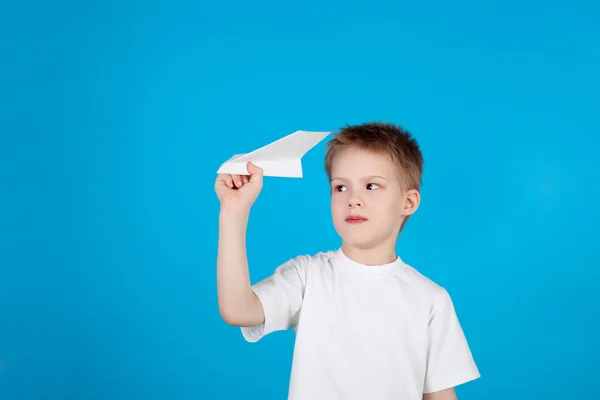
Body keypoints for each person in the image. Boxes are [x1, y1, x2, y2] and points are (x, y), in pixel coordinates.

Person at [214, 122, 480, 400]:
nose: (353, 199)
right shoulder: (308, 276)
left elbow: (439, 394)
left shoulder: (431, 300)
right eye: (341, 187)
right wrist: (234, 211)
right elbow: (238, 310)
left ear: (408, 202)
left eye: (372, 185)